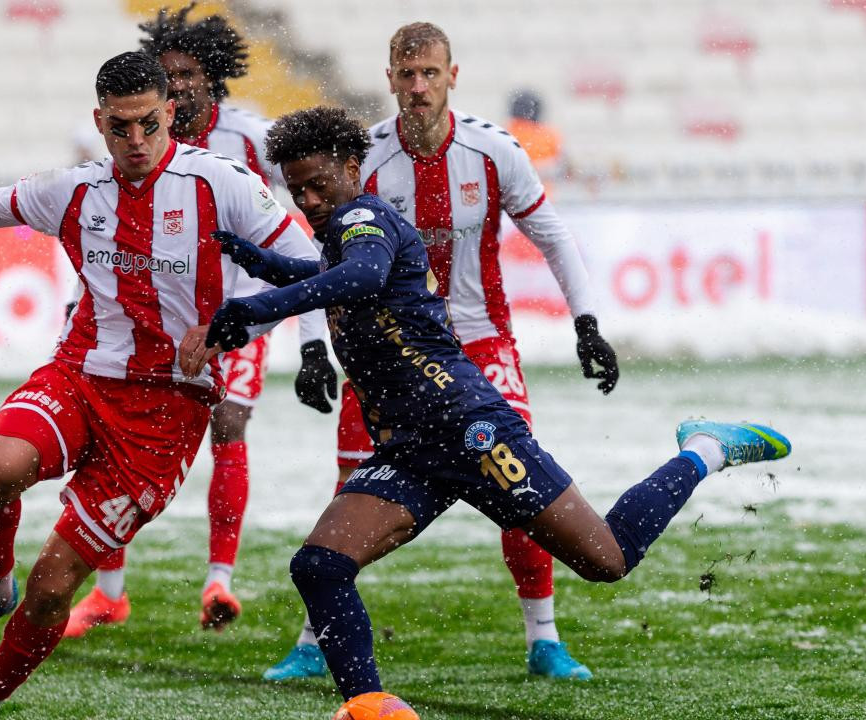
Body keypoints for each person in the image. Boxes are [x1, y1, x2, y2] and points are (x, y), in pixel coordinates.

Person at [189, 105, 792, 702]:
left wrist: (256, 306)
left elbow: (363, 277)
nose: (310, 200)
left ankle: (704, 449)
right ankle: (369, 706)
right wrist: (260, 262)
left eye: (319, 184)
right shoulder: (345, 238)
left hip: (469, 429)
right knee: (318, 566)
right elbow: (331, 273)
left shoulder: (365, 216)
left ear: (352, 168)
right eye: (298, 190)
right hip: (410, 449)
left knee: (608, 560)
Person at [0, 51, 321, 720]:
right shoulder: (74, 190)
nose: (135, 142)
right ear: (99, 123)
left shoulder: (221, 183)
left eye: (148, 124)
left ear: (170, 114)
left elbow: (309, 268)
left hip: (166, 412)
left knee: (52, 588)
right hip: (81, 376)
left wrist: (233, 327)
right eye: (120, 127)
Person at [263, 22, 618, 683]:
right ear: (390, 79)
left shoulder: (493, 151)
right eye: (407, 74)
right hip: (388, 353)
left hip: (480, 342)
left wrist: (587, 321)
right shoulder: (362, 160)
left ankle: (544, 637)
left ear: (453, 76)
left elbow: (552, 235)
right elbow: (321, 261)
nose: (419, 86)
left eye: (430, 73)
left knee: (520, 481)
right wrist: (313, 348)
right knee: (353, 486)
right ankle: (313, 640)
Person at [63, 2, 338, 640]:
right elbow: (100, 228)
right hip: (149, 316)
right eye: (169, 75)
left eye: (189, 74)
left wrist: (313, 341)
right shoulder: (136, 143)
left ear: (212, 77)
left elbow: (304, 226)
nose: (179, 86)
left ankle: (219, 580)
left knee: (228, 422)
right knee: (106, 429)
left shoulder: (251, 139)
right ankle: (108, 593)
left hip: (239, 315)